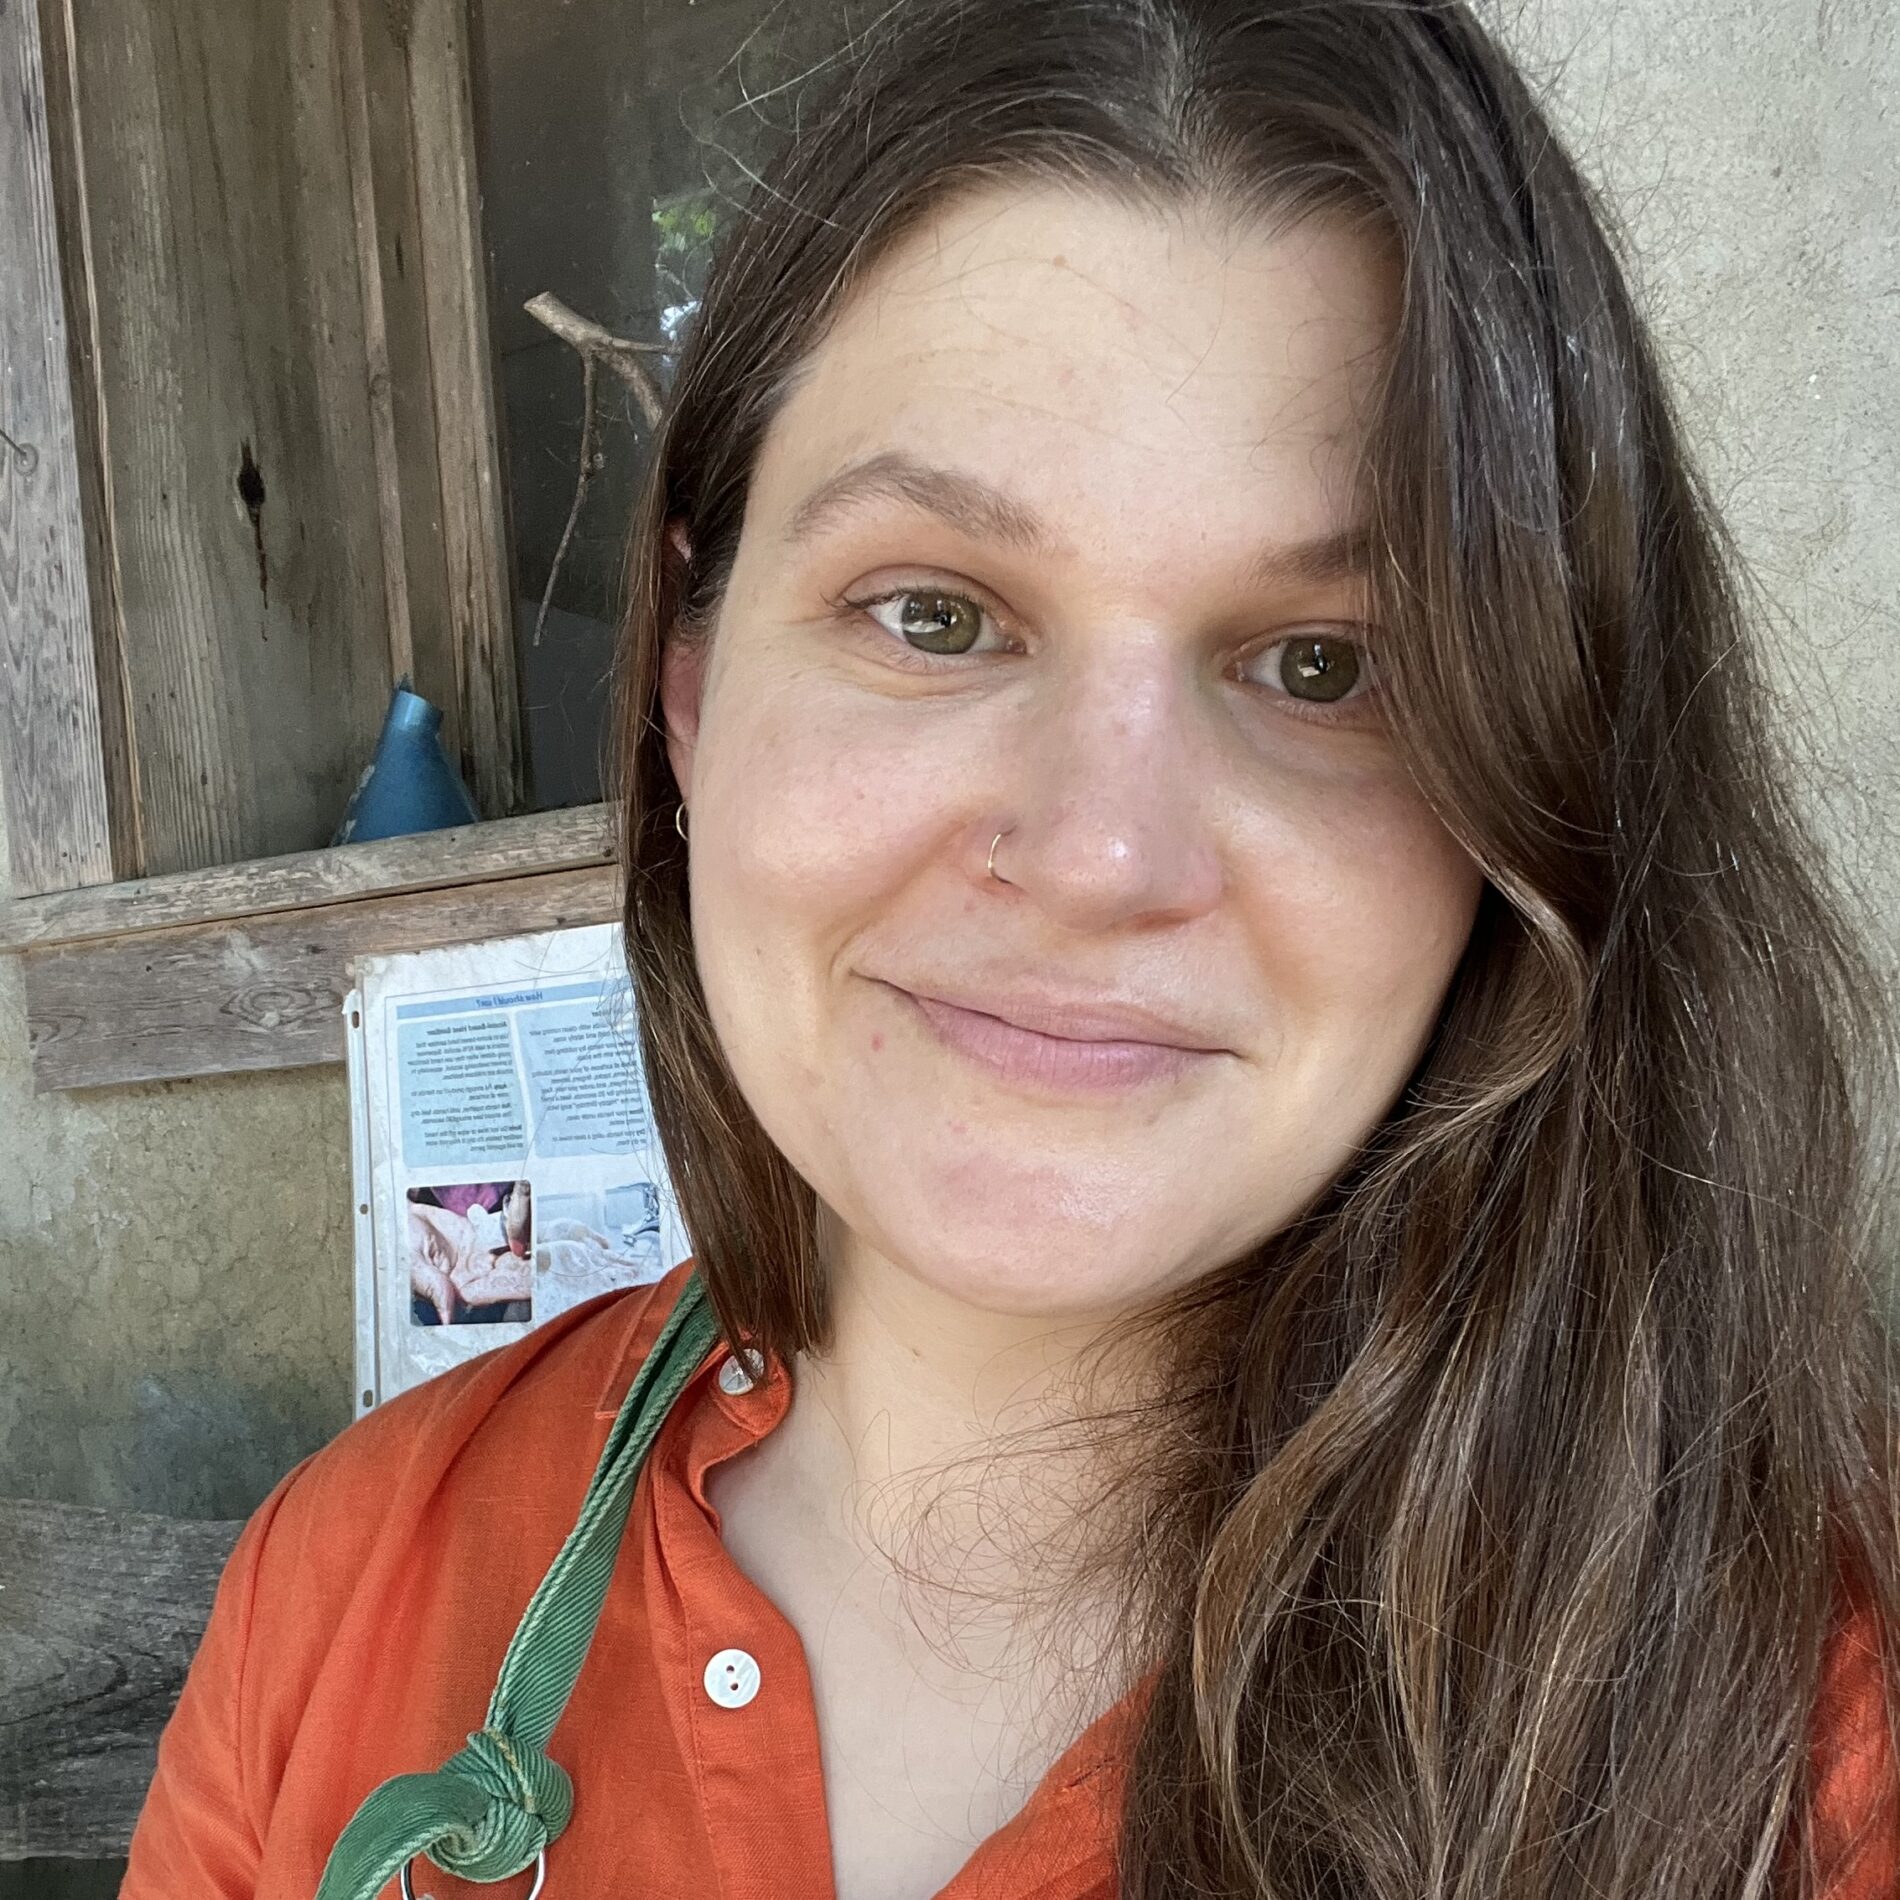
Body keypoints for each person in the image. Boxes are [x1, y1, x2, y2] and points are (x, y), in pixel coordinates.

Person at [124, 2, 1900, 1896]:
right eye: (935, 615)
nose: (1101, 852)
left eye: (1325, 668)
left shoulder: (1806, 1729)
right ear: (692, 687)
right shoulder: (347, 1593)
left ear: (1533, 798)